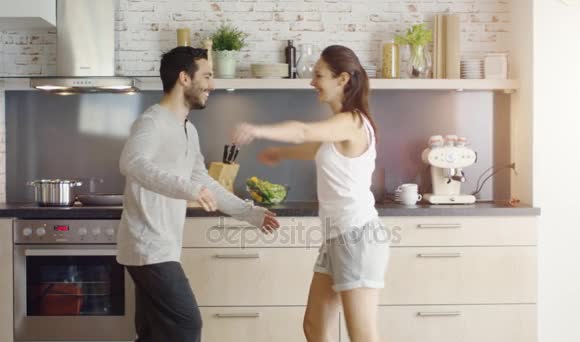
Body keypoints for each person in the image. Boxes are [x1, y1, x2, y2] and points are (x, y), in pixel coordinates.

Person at [117, 46, 280, 342]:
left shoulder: (188, 130)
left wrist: (249, 214)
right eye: (206, 76)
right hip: (148, 245)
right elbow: (132, 162)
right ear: (184, 78)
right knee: (187, 325)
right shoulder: (152, 121)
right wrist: (188, 189)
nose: (212, 85)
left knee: (155, 333)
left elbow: (204, 181)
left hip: (160, 246)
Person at [232, 45, 389, 342]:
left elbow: (304, 132)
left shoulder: (351, 121)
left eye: (319, 75)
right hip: (336, 238)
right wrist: (281, 153)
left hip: (358, 238)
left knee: (362, 335)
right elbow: (315, 147)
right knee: (314, 328)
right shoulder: (338, 128)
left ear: (342, 79)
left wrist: (258, 130)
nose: (312, 82)